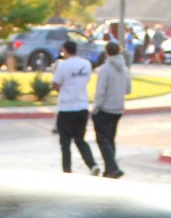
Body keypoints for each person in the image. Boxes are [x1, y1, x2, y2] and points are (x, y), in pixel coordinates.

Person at [51, 39, 99, 175]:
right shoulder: (86, 64)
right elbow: (86, 80)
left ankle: (67, 169)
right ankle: (92, 164)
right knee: (80, 139)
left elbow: (55, 84)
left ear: (65, 50)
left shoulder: (63, 65)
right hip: (82, 106)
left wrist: (59, 88)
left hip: (66, 107)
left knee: (65, 142)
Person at [91, 40, 130, 179]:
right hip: (118, 108)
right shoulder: (125, 69)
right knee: (110, 139)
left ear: (106, 52)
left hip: (105, 108)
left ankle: (112, 167)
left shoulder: (105, 69)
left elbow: (100, 91)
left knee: (102, 139)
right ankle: (110, 168)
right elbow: (128, 89)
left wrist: (96, 107)